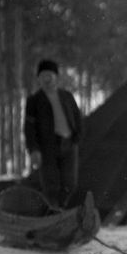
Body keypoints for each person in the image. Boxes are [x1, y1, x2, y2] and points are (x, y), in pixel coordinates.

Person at [23, 58, 83, 207]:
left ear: (57, 77)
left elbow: (77, 118)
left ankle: (62, 209)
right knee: (50, 184)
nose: (47, 79)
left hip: (68, 143)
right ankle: (53, 211)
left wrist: (77, 138)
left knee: (70, 182)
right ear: (38, 79)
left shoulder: (67, 96)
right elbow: (29, 128)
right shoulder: (34, 101)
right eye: (43, 76)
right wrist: (34, 150)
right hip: (47, 146)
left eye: (50, 75)